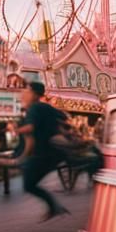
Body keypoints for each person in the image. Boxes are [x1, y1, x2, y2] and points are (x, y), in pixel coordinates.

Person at [15, 81, 69, 221]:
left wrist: (14, 129)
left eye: (26, 90)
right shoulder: (47, 107)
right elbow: (64, 117)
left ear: (33, 93)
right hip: (54, 154)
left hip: (41, 153)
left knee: (29, 184)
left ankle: (54, 207)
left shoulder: (34, 108)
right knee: (30, 182)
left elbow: (30, 128)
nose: (23, 93)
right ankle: (54, 207)